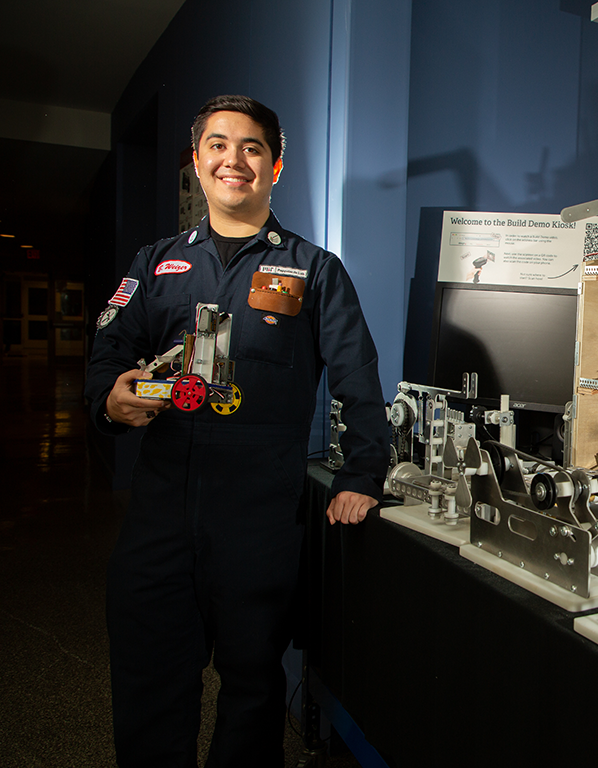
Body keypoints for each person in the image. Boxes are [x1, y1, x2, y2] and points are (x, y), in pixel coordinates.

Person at [84, 94, 391, 767]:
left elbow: (359, 380)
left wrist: (363, 472)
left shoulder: (314, 271)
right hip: (160, 518)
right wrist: (112, 400)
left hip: (258, 523)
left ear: (275, 167)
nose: (235, 159)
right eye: (218, 145)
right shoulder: (155, 265)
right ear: (197, 163)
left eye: (252, 147)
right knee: (149, 690)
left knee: (253, 694)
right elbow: (105, 361)